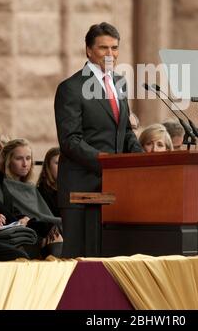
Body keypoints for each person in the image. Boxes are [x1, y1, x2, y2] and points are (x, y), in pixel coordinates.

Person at [54, 22, 143, 258]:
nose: (111, 54)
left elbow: (124, 132)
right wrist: (107, 163)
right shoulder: (71, 88)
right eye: (104, 48)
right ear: (89, 50)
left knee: (108, 259)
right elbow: (70, 140)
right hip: (80, 189)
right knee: (79, 260)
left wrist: (144, 161)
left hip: (114, 189)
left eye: (115, 48)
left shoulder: (120, 84)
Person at [38, 147, 60, 217]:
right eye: (57, 163)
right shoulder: (40, 192)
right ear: (48, 166)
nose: (62, 167)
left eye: (64, 163)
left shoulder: (70, 189)